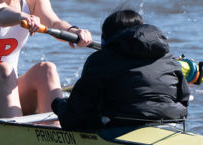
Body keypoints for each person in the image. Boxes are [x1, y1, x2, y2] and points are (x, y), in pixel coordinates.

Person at [51, 9, 189, 131]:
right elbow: (184, 100)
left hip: (123, 126)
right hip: (172, 123)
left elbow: (75, 116)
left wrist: (59, 105)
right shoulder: (169, 58)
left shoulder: (100, 60)